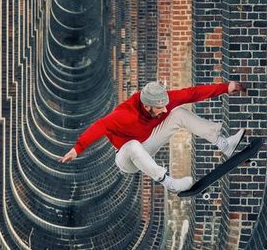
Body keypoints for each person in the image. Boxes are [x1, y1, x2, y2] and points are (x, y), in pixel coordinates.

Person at [58, 79, 247, 193]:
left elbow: (192, 93)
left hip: (147, 144)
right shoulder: (126, 115)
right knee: (132, 145)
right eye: (159, 107)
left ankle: (223, 143)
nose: (164, 109)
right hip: (126, 158)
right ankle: (169, 183)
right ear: (147, 106)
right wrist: (77, 148)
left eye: (165, 104)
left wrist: (226, 87)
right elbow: (100, 125)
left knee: (179, 113)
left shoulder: (164, 102)